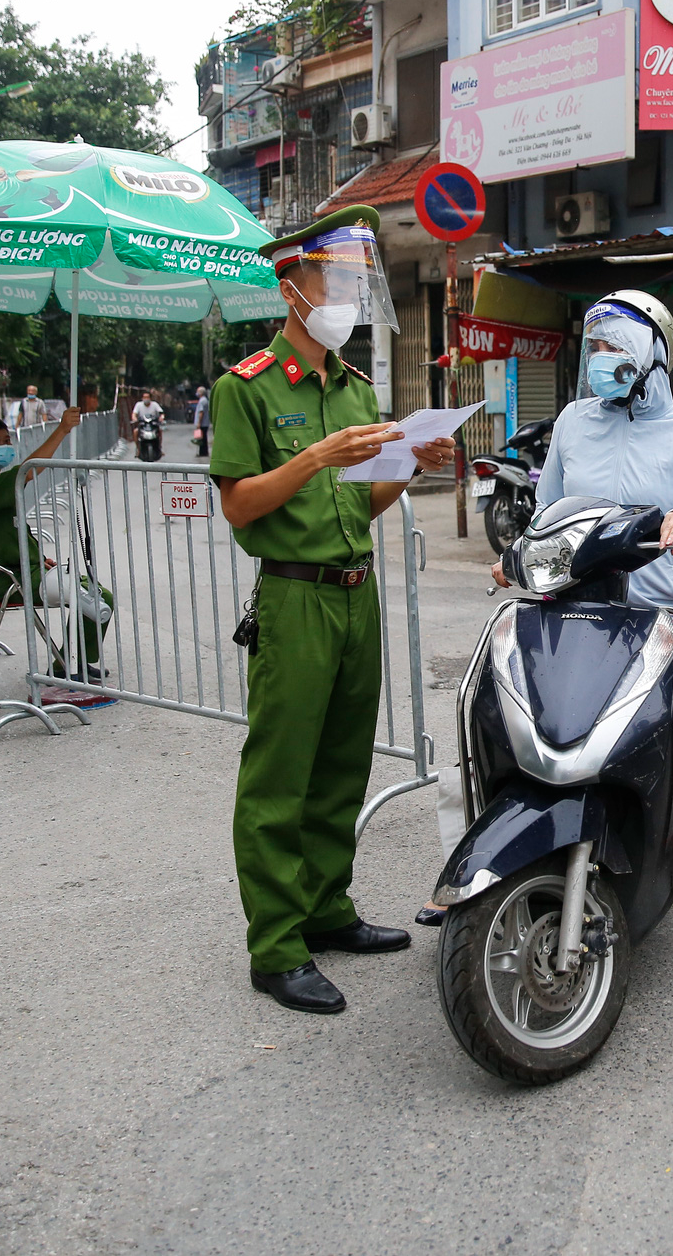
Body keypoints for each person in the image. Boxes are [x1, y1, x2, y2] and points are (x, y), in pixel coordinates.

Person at [207, 204, 457, 1016]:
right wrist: (315, 455)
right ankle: (276, 944)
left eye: (358, 279)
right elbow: (241, 506)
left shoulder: (355, 389)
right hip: (293, 596)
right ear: (293, 287)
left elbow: (362, 505)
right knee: (280, 774)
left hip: (354, 595)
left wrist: (411, 465)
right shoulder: (243, 388)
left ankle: (325, 907)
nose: (349, 292)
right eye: (337, 277)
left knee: (342, 765)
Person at [481, 291, 673, 969]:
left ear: (653, 352)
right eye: (594, 345)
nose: (600, 357)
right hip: (573, 605)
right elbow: (547, 511)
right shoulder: (574, 421)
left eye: (614, 346)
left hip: (661, 615)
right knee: (513, 725)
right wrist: (513, 554)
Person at [0, 408, 114, 681]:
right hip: (7, 579)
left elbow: (10, 530)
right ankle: (66, 667)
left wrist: (37, 556)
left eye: (7, 441)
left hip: (26, 570)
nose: (4, 447)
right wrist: (62, 430)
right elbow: (29, 470)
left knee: (100, 595)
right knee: (91, 598)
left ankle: (70, 663)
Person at [192, 386, 211, 457]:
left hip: (203, 423)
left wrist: (199, 423)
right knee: (203, 438)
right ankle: (204, 452)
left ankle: (203, 452)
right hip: (205, 423)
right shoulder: (205, 400)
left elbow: (201, 412)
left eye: (198, 391)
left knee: (202, 439)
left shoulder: (202, 401)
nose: (196, 393)